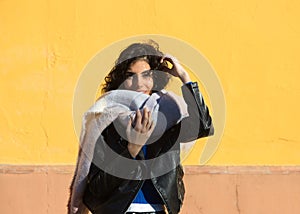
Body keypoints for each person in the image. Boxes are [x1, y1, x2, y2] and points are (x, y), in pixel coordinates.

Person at [69, 40, 214, 214]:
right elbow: (97, 189)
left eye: (146, 75)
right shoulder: (105, 118)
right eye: (131, 76)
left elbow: (203, 126)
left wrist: (183, 76)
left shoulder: (168, 116)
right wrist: (132, 149)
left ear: (156, 78)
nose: (139, 83)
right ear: (121, 80)